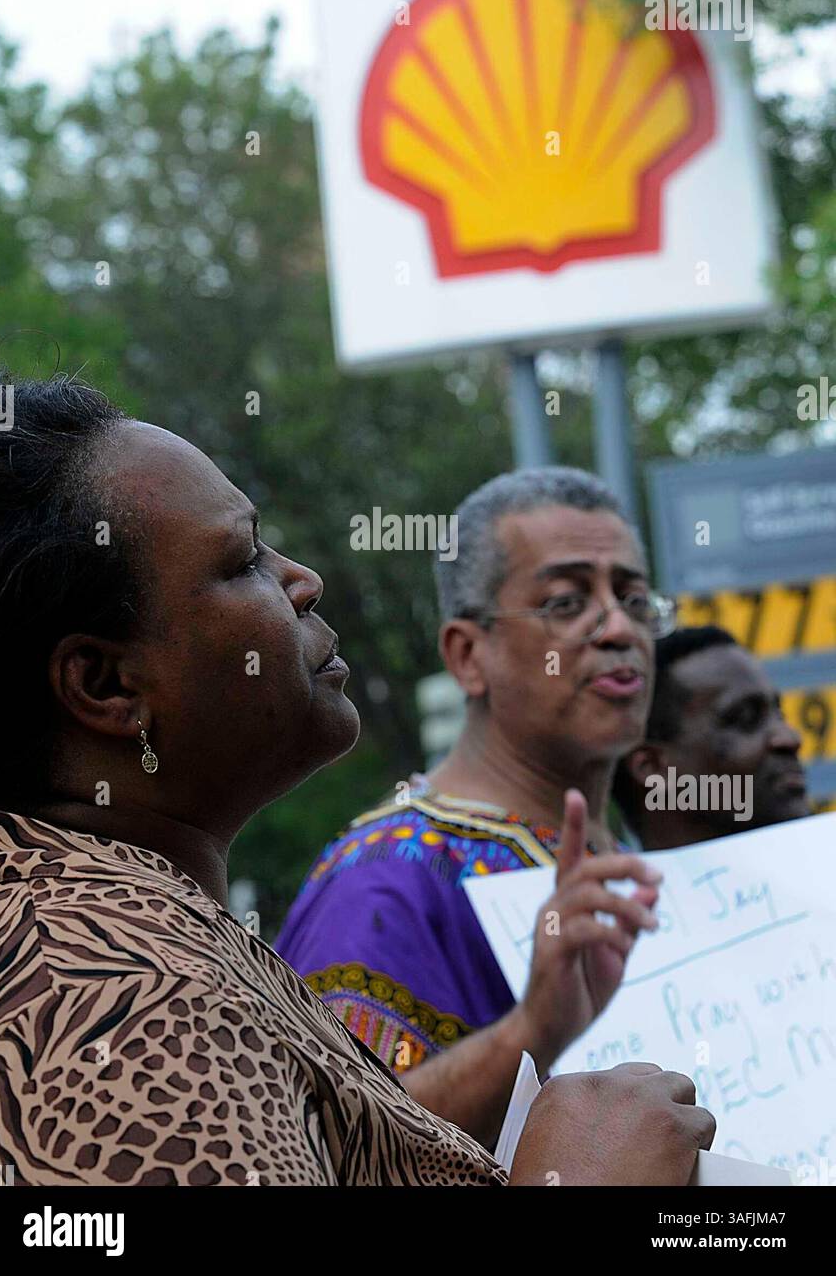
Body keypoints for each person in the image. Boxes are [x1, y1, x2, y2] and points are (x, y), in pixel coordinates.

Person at [0, 375, 715, 1187]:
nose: (303, 581)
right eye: (243, 559)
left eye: (633, 597)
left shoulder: (115, 943)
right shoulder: (126, 1008)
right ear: (106, 685)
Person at [277, 467, 678, 1147]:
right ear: (467, 655)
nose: (618, 628)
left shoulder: (625, 854)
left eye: (635, 599)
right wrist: (534, 1030)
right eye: (565, 601)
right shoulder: (385, 880)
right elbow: (333, 1146)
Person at [612, 625, 811, 851]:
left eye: (780, 716)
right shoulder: (592, 886)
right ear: (652, 766)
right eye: (745, 718)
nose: (790, 738)